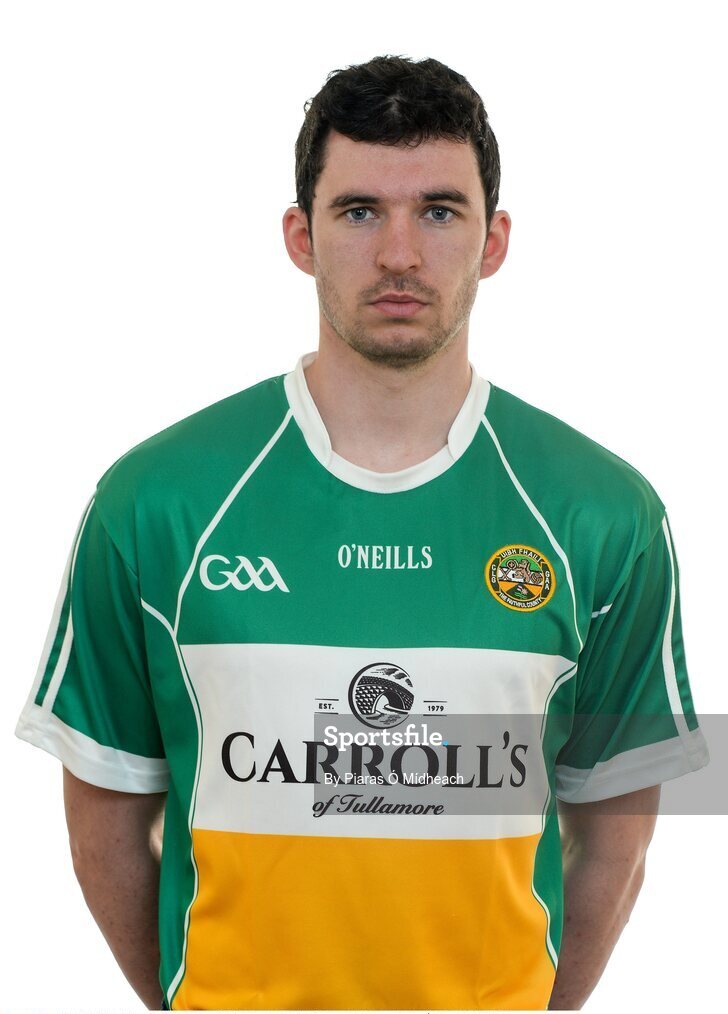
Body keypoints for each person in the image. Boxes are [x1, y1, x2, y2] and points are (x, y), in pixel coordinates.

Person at [15, 54, 709, 1011]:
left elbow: (617, 834)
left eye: (438, 210)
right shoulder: (154, 502)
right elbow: (103, 815)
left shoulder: (603, 515)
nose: (397, 254)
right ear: (301, 237)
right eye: (357, 212)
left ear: (493, 239)